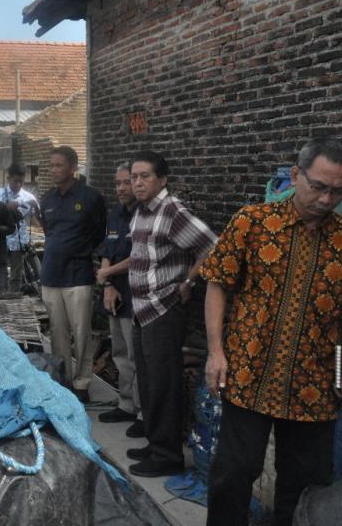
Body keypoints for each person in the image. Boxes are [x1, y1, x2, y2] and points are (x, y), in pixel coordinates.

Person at [200, 138, 342, 526]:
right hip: (248, 374)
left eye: (338, 191)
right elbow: (217, 284)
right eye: (318, 186)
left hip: (314, 385)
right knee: (233, 474)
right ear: (296, 175)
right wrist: (216, 352)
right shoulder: (252, 222)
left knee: (305, 484)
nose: (327, 199)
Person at [127, 150, 217, 478]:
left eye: (145, 177)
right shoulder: (141, 212)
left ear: (162, 179)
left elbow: (213, 246)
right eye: (134, 177)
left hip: (163, 309)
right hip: (142, 309)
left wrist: (190, 280)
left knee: (164, 385)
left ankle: (167, 457)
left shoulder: (172, 211)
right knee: (150, 383)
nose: (138, 183)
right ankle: (155, 444)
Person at [39, 146, 106, 403]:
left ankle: (82, 383)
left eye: (59, 165)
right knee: (57, 332)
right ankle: (63, 380)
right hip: (51, 274)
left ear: (73, 167)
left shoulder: (90, 198)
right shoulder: (47, 199)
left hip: (78, 275)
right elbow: (49, 233)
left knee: (81, 332)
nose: (55, 170)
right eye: (52, 165)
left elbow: (99, 233)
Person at [95, 163, 140, 427]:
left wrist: (106, 273)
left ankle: (143, 412)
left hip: (138, 294)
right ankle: (126, 404)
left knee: (137, 355)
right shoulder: (115, 215)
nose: (122, 188)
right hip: (116, 293)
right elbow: (107, 250)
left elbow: (139, 256)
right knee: (120, 352)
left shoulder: (146, 215)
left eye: (127, 182)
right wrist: (107, 283)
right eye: (118, 183)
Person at [0, 163, 39, 292]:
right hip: (1, 240)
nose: (18, 184)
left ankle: (14, 299)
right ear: (9, 178)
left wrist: (35, 208)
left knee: (16, 275)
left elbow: (37, 223)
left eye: (21, 181)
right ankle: (0, 297)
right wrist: (8, 207)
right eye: (15, 181)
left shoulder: (28, 197)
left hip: (19, 242)